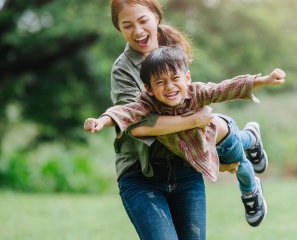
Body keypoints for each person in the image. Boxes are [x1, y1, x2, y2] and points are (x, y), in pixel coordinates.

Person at [86, 0, 268, 240]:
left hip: (184, 170)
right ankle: (246, 142)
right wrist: (196, 120)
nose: (138, 31)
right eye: (126, 25)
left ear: (156, 15)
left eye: (143, 20)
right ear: (118, 29)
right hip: (142, 174)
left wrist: (257, 83)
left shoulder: (172, 48)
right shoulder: (123, 70)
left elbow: (205, 92)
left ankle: (247, 142)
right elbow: (138, 125)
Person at [84, 46, 286, 228]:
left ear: (187, 78)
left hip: (221, 138)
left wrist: (263, 80)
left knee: (240, 166)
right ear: (149, 88)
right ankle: (251, 136)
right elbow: (125, 112)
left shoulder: (196, 93)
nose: (169, 87)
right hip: (203, 146)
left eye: (175, 79)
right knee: (241, 147)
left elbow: (225, 88)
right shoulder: (147, 105)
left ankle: (251, 192)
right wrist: (101, 121)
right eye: (160, 82)